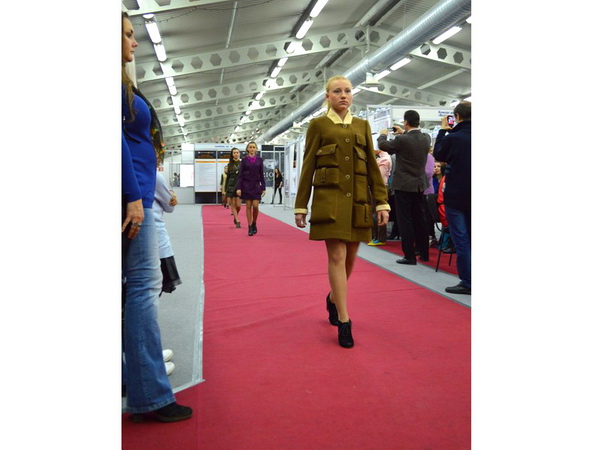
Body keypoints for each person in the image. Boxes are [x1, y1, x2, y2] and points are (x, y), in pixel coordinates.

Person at [121, 12, 192, 423]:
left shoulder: (123, 83)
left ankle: (134, 375)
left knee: (134, 289)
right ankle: (150, 394)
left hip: (137, 193)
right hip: (132, 197)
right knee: (142, 289)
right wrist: (134, 196)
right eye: (128, 35)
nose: (135, 42)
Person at [294, 75, 390, 349]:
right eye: (337, 91)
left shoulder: (362, 125)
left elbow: (371, 167)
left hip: (358, 202)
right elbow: (308, 166)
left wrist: (381, 202)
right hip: (330, 202)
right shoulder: (318, 125)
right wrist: (301, 205)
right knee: (337, 256)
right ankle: (344, 320)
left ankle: (333, 298)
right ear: (327, 96)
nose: (343, 95)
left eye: (347, 91)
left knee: (350, 260)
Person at [377, 110, 431, 265]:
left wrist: (382, 135)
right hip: (419, 184)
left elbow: (384, 145)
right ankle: (424, 253)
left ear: (406, 123)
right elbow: (411, 140)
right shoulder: (426, 138)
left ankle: (409, 256)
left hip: (403, 185)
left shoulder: (402, 140)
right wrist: (403, 132)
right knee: (420, 219)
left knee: (405, 220)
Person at [433, 102, 471, 295]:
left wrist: (442, 130)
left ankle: (468, 281)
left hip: (456, 196)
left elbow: (438, 153)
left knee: (461, 240)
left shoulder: (454, 138)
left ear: (456, 117)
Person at [153, 169, 182, 295]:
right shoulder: (154, 176)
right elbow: (169, 206)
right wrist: (171, 195)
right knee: (153, 285)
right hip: (154, 234)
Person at [236, 142, 266, 236]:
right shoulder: (244, 160)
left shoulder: (259, 160)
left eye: (254, 147)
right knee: (248, 206)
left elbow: (261, 174)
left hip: (256, 185)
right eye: (250, 147)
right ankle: (249, 226)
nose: (252, 149)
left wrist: (263, 187)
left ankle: (254, 223)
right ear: (247, 149)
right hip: (246, 185)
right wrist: (239, 188)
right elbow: (240, 175)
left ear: (256, 149)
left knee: (255, 206)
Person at [367, 147, 392, 246]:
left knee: (379, 212)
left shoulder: (385, 159)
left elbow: (378, 177)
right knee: (374, 212)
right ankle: (375, 236)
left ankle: (380, 238)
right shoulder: (381, 158)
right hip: (377, 187)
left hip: (380, 187)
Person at [225, 147, 242, 228]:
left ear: (239, 154)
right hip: (231, 186)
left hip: (239, 186)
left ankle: (235, 216)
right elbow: (228, 178)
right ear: (232, 154)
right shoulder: (229, 165)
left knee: (238, 205)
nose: (236, 154)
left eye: (237, 152)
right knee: (233, 204)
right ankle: (237, 220)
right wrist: (226, 189)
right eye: (234, 152)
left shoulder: (242, 164)